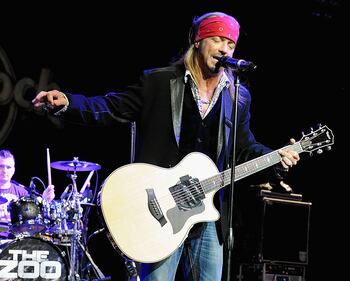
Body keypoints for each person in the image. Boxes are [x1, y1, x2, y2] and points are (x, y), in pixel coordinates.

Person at [32, 11, 300, 281]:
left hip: (207, 213)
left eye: (230, 44)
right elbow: (111, 107)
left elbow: (243, 148)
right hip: (160, 209)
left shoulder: (237, 95)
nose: (225, 49)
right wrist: (68, 103)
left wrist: (276, 159)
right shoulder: (159, 82)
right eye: (218, 40)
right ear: (198, 40)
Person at [0, 149, 55, 239]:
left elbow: (33, 217)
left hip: (15, 240)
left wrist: (45, 201)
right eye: (1, 166)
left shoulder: (22, 193)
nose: (5, 170)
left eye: (8, 167)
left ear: (13, 170)